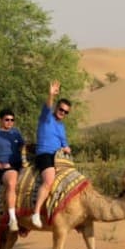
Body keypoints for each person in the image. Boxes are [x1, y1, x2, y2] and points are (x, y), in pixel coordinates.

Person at [32, 80, 71, 229]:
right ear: (56, 108)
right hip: (44, 155)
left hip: (58, 157)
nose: (63, 113)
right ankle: (36, 213)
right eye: (61, 109)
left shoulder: (61, 127)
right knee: (49, 181)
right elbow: (48, 105)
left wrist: (67, 148)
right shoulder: (46, 118)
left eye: (66, 112)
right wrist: (51, 95)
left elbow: (64, 143)